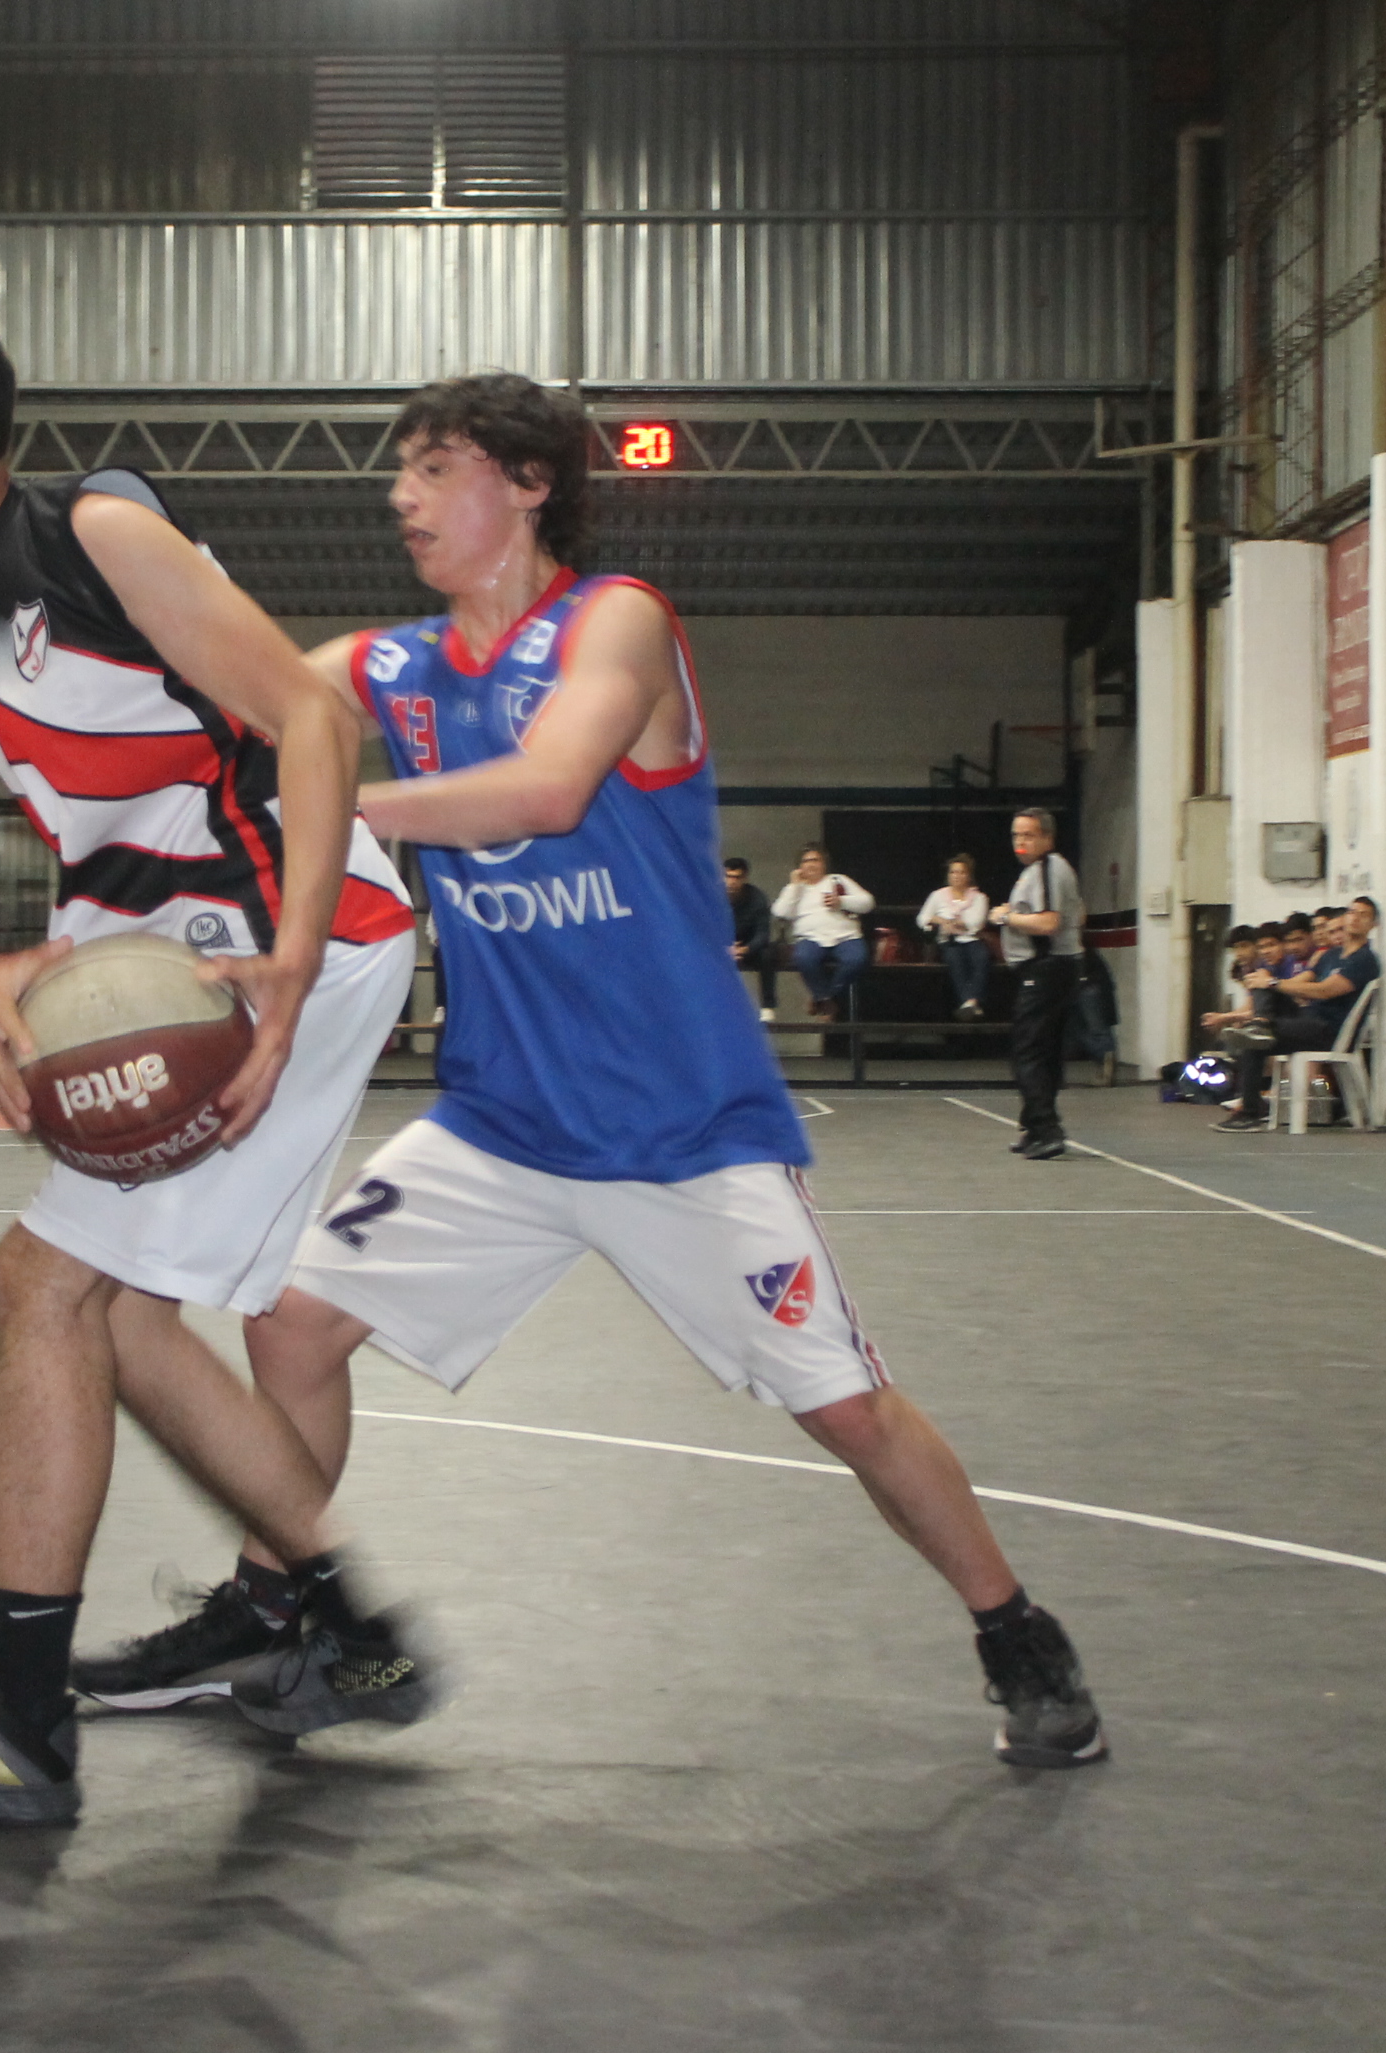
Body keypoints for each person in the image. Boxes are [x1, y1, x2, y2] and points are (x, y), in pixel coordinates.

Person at [93, 371, 1105, 1772]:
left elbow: (546, 789)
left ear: (526, 483)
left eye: (434, 467)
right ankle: (287, 1610)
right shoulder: (393, 665)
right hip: (503, 1123)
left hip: (683, 1127)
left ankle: (1014, 1631)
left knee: (848, 1408)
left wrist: (330, 799)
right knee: (293, 1324)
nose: (401, 495)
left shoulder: (614, 621)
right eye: (400, 471)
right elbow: (238, 696)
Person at [0, 292, 427, 1824]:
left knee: (42, 1281)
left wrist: (286, 965)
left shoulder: (101, 534)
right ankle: (344, 1627)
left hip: (282, 943)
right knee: (109, 1317)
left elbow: (316, 725)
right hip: (146, 958)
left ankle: (19, 1720)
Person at [1215, 895, 1380, 1133]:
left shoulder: (1364, 960)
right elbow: (1298, 981)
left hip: (1328, 1030)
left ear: (1373, 925)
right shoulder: (1330, 956)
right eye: (1352, 912)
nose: (1355, 918)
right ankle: (1259, 1025)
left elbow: (1325, 991)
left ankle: (1250, 1111)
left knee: (1258, 1022)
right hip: (1306, 1019)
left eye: (1363, 915)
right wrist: (1269, 982)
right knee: (1254, 1029)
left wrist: (1273, 983)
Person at [994, 808, 1085, 1158]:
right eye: (1016, 835)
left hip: (1047, 969)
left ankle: (1047, 1129)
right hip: (1053, 969)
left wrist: (1007, 917)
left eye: (1028, 835)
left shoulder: (1049, 868)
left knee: (1029, 1051)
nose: (1020, 842)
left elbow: (1050, 923)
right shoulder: (1040, 872)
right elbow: (1078, 912)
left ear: (1047, 837)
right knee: (1043, 1051)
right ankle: (1034, 1125)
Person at [773, 845, 874, 1019]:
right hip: (810, 938)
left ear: (824, 864)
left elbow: (868, 902)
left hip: (846, 937)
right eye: (806, 861)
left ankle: (821, 996)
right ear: (800, 866)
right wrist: (795, 887)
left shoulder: (838, 880)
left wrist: (841, 901)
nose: (811, 865)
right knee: (803, 958)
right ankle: (825, 999)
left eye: (816, 860)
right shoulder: (794, 888)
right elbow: (780, 912)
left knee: (857, 959)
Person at [919, 854, 991, 1019]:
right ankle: (971, 1002)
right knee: (954, 959)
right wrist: (939, 920)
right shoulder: (937, 896)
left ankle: (969, 1003)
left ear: (969, 875)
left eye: (961, 872)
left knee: (981, 957)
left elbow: (977, 922)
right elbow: (922, 918)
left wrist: (959, 923)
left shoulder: (979, 898)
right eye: (953, 872)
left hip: (971, 939)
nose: (957, 876)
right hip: (948, 940)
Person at [723, 854, 778, 1018]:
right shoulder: (712, 897)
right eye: (728, 876)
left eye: (737, 877)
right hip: (721, 946)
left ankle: (767, 1006)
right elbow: (703, 929)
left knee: (768, 954)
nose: (732, 882)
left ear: (745, 878)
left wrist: (745, 949)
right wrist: (723, 948)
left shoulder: (757, 898)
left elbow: (763, 933)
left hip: (748, 947)